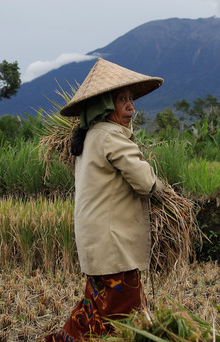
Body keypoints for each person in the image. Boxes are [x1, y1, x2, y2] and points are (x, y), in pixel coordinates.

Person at [46, 58, 166, 342]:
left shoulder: (91, 137)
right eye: (121, 99)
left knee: (95, 311)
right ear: (105, 106)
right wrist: (163, 189)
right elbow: (146, 182)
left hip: (98, 242)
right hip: (114, 246)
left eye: (131, 98)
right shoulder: (111, 136)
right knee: (125, 317)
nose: (130, 105)